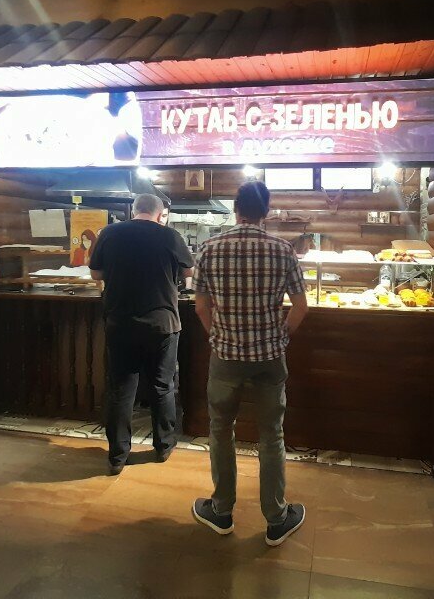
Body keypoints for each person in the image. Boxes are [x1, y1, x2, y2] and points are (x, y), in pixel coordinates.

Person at [191, 181, 309, 547]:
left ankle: (221, 510)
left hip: (226, 357)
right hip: (269, 357)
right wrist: (280, 336)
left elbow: (201, 306)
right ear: (266, 211)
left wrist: (218, 335)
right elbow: (301, 306)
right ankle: (276, 518)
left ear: (235, 209)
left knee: (220, 430)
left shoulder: (209, 249)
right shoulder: (283, 250)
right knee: (271, 434)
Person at [89, 193, 194, 475]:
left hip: (120, 322)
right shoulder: (169, 236)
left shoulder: (109, 233)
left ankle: (117, 456)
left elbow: (96, 274)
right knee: (162, 386)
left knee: (121, 390)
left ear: (134, 210)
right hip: (162, 324)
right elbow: (189, 271)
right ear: (160, 214)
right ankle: (163, 446)